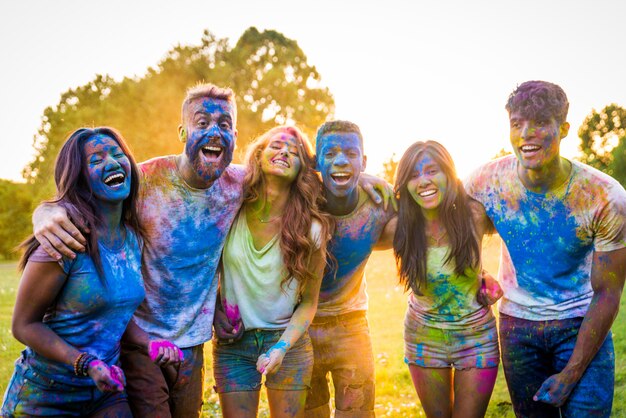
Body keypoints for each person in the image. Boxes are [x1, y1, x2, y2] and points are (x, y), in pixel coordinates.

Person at [32, 84, 244, 417]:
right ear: (182, 131)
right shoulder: (144, 179)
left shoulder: (239, 184)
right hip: (140, 340)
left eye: (225, 124)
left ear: (235, 134)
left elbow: (292, 171)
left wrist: (359, 177)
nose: (214, 132)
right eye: (201, 123)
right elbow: (86, 191)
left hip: (194, 344)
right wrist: (46, 211)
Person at [465, 80, 626, 417]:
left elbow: (608, 293)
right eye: (517, 124)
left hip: (580, 322)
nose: (526, 134)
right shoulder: (485, 183)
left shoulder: (604, 197)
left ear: (563, 128)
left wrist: (570, 374)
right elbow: (457, 232)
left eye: (540, 123)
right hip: (517, 326)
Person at [1, 127, 172, 416]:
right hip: (44, 394)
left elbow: (114, 312)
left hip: (103, 391)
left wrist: (149, 341)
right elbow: (23, 325)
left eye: (119, 155)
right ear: (79, 178)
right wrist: (85, 363)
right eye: (96, 160)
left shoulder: (132, 239)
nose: (112, 162)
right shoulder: (64, 241)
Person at [212, 126, 331, 417]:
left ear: (302, 167)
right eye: (276, 146)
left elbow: (308, 302)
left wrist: (281, 347)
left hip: (287, 343)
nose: (285, 152)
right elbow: (205, 275)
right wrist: (215, 313)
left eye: (295, 151)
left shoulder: (312, 229)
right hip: (233, 345)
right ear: (259, 155)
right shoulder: (229, 210)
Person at [391, 140, 501, 418]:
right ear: (405, 184)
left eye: (431, 171)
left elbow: (520, 225)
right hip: (424, 337)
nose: (423, 181)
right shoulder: (399, 227)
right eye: (414, 175)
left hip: (476, 337)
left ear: (449, 174)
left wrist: (494, 279)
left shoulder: (475, 215)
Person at [304, 120, 395, 418]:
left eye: (350, 154)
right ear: (316, 162)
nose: (341, 160)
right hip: (298, 327)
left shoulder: (379, 205)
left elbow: (426, 216)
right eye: (330, 154)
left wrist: (374, 180)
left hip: (351, 325)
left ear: (363, 160)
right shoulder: (299, 201)